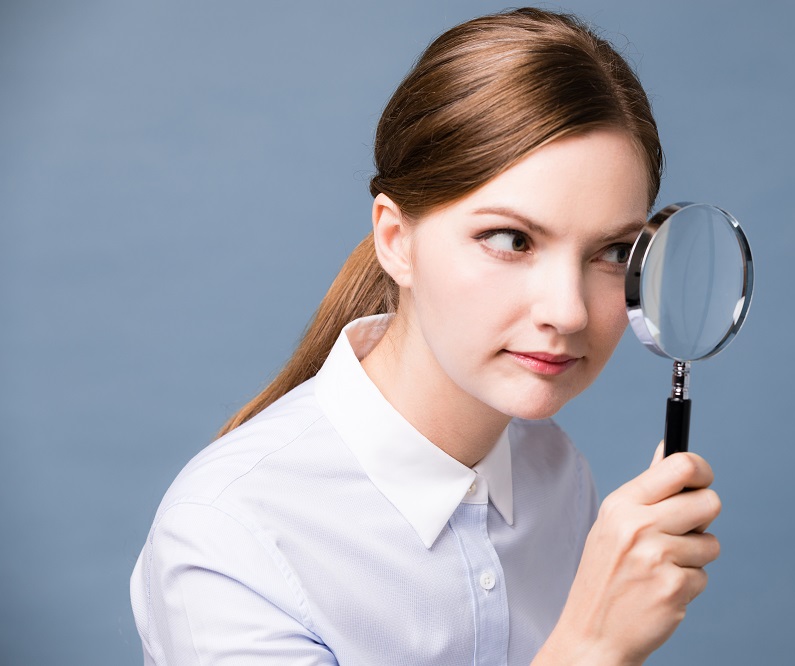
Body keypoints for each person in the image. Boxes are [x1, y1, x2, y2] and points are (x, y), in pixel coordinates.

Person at [130, 7, 721, 665]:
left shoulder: (556, 476)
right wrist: (592, 646)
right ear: (396, 239)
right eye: (509, 240)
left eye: (613, 250)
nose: (570, 312)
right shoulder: (231, 536)